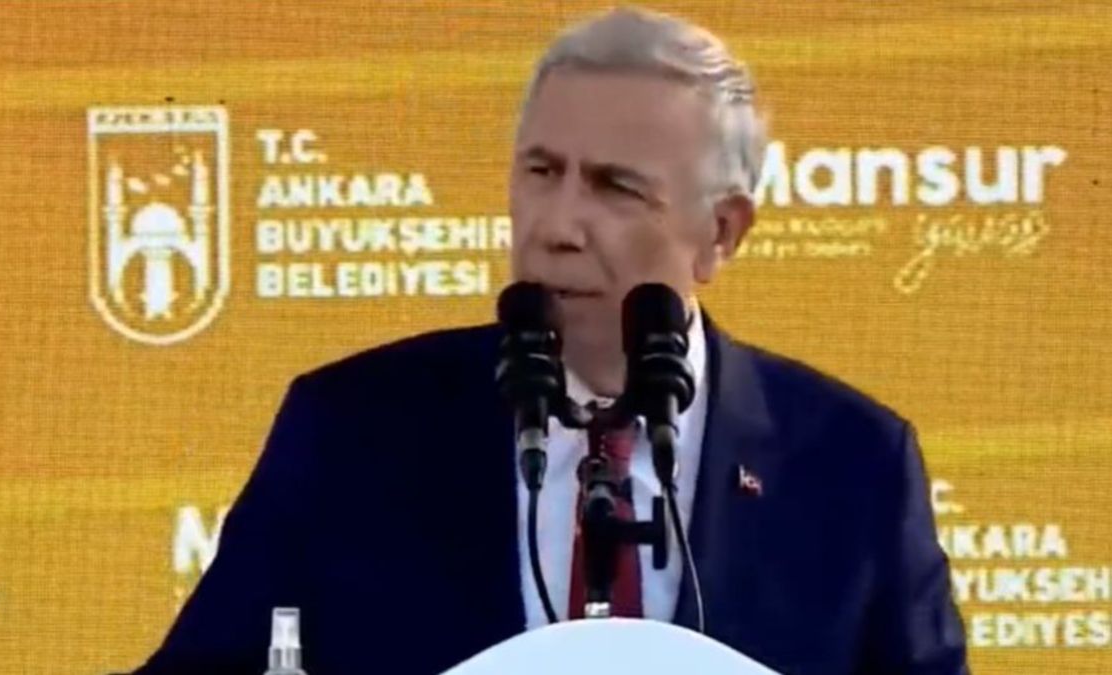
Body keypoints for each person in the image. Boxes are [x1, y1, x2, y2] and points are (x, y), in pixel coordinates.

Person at [126, 7, 968, 674]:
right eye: (541, 171)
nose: (557, 225)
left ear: (721, 231)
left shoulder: (852, 464)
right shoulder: (351, 429)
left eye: (615, 187)